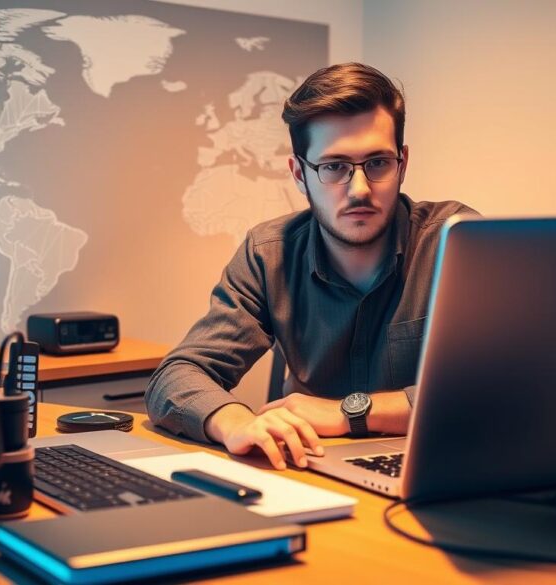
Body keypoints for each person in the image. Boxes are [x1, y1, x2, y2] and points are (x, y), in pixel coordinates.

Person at [145, 62, 477, 470]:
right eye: (333, 166)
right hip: (313, 469)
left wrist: (348, 412)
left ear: (402, 163)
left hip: (436, 470)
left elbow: (496, 386)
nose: (359, 189)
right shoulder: (268, 254)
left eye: (377, 163)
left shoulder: (457, 242)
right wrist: (234, 422)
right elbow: (178, 375)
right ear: (299, 174)